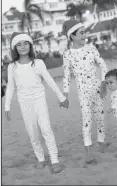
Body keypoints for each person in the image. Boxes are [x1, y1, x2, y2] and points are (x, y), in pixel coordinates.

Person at [4, 32, 69, 174]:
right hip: (24, 103)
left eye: (25, 43)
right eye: (19, 44)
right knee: (32, 133)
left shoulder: (38, 63)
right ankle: (40, 158)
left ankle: (55, 160)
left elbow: (49, 80)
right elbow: (10, 87)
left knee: (46, 129)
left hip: (39, 100)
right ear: (15, 48)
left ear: (30, 45)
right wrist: (7, 106)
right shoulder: (12, 67)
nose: (22, 47)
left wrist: (61, 97)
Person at [62, 20, 108, 164]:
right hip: (83, 93)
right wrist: (65, 95)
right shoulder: (68, 54)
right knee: (87, 120)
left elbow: (103, 65)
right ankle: (88, 151)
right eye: (81, 33)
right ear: (72, 36)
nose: (84, 35)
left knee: (100, 117)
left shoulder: (91, 48)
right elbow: (66, 76)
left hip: (97, 89)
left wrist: (103, 83)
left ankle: (101, 142)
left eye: (84, 32)